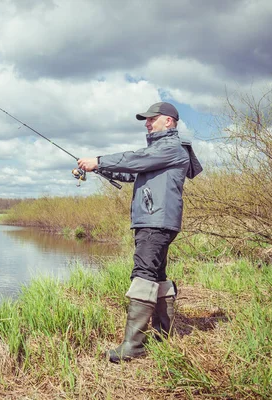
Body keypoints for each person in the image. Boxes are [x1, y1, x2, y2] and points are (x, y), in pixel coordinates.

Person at [77, 101, 202, 363]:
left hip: (156, 222)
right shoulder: (160, 151)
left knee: (143, 275)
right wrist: (99, 168)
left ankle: (133, 346)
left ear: (168, 121)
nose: (147, 123)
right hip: (155, 221)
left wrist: (98, 160)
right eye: (146, 120)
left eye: (151, 119)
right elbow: (131, 171)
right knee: (156, 275)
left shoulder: (171, 148)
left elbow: (137, 159)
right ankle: (161, 335)